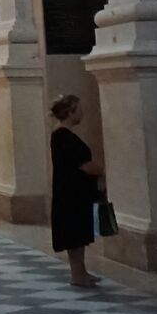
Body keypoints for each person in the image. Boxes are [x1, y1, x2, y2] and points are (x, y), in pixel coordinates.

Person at [50, 95, 103, 288]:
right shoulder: (62, 136)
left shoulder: (64, 135)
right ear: (69, 112)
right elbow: (81, 164)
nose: (82, 113)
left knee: (79, 233)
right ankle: (77, 274)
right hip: (71, 193)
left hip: (76, 192)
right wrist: (102, 170)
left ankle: (81, 271)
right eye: (78, 109)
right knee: (74, 233)